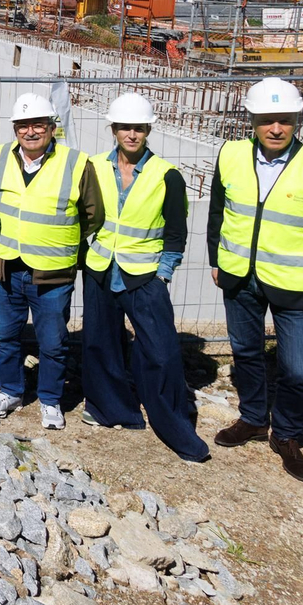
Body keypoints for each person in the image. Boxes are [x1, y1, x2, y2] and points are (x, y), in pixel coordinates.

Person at [207, 78, 303, 482]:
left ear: (297, 121)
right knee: (246, 353)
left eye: (284, 121)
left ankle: (285, 434)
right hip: (239, 278)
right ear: (251, 120)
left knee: (299, 369)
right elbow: (218, 212)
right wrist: (216, 257)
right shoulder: (231, 154)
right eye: (266, 120)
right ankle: (253, 418)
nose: (275, 128)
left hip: (296, 286)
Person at [80, 93, 210, 462]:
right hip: (102, 268)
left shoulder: (166, 175)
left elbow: (175, 231)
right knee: (100, 343)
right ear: (113, 129)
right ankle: (113, 409)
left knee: (161, 351)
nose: (131, 134)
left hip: (145, 274)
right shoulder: (93, 166)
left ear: (148, 129)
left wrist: (163, 275)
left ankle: (175, 426)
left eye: (138, 128)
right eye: (125, 127)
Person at [0, 92, 103, 430]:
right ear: (14, 128)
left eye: (38, 124)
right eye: (23, 125)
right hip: (7, 267)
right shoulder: (0, 156)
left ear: (52, 128)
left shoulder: (77, 163)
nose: (30, 131)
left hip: (52, 274)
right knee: (4, 336)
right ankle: (11, 390)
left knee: (52, 341)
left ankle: (50, 399)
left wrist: (56, 241)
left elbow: (93, 215)